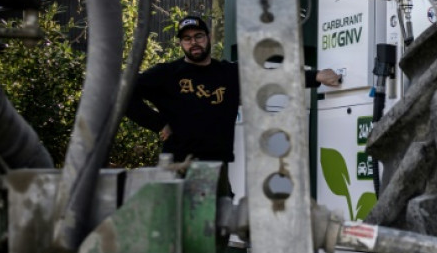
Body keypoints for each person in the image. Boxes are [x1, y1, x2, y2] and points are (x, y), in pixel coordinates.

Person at [126, 15, 341, 193]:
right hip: (176, 167)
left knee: (218, 230)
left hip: (217, 168)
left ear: (208, 37)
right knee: (176, 234)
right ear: (181, 43)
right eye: (187, 38)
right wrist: (158, 123)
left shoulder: (228, 74)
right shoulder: (167, 74)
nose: (193, 42)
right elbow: (124, 95)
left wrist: (316, 76)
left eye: (198, 36)